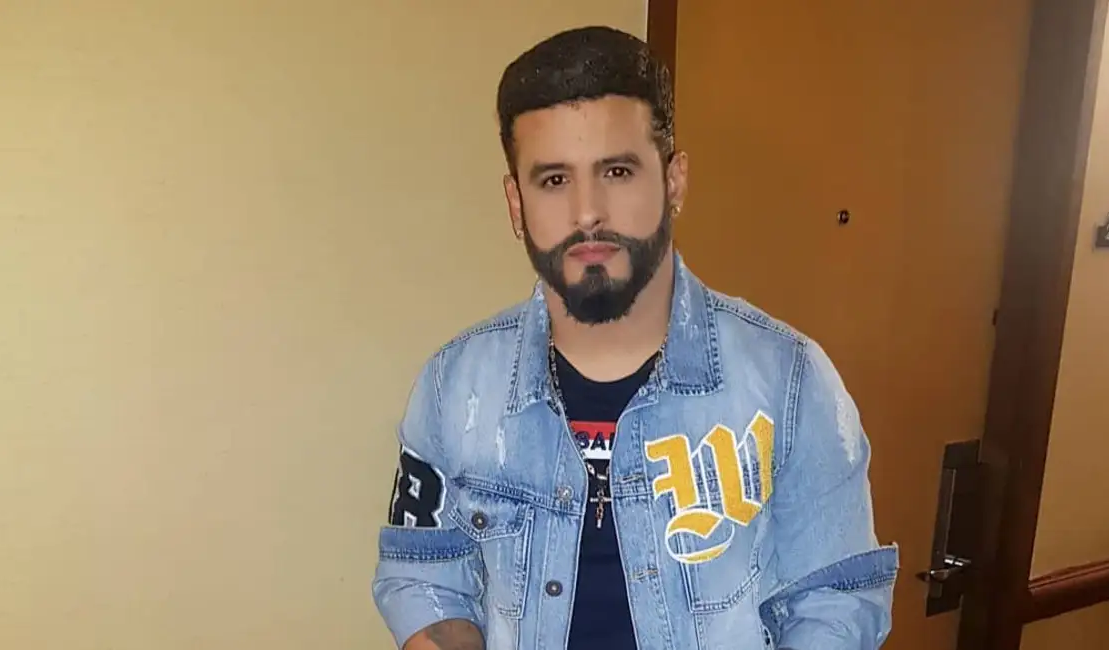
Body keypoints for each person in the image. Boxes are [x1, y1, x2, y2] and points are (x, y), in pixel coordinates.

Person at [371, 25, 898, 650]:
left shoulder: (791, 383)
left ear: (674, 181)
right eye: (554, 180)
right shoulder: (454, 388)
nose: (587, 212)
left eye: (617, 171)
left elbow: (836, 605)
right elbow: (424, 575)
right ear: (516, 203)